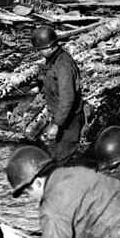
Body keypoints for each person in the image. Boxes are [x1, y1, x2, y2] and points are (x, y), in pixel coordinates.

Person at [31, 25, 84, 165]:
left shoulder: (63, 64)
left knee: (61, 160)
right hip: (61, 117)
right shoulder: (54, 60)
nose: (39, 53)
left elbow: (68, 99)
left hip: (69, 121)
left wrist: (56, 124)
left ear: (49, 46)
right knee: (53, 157)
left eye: (40, 50)